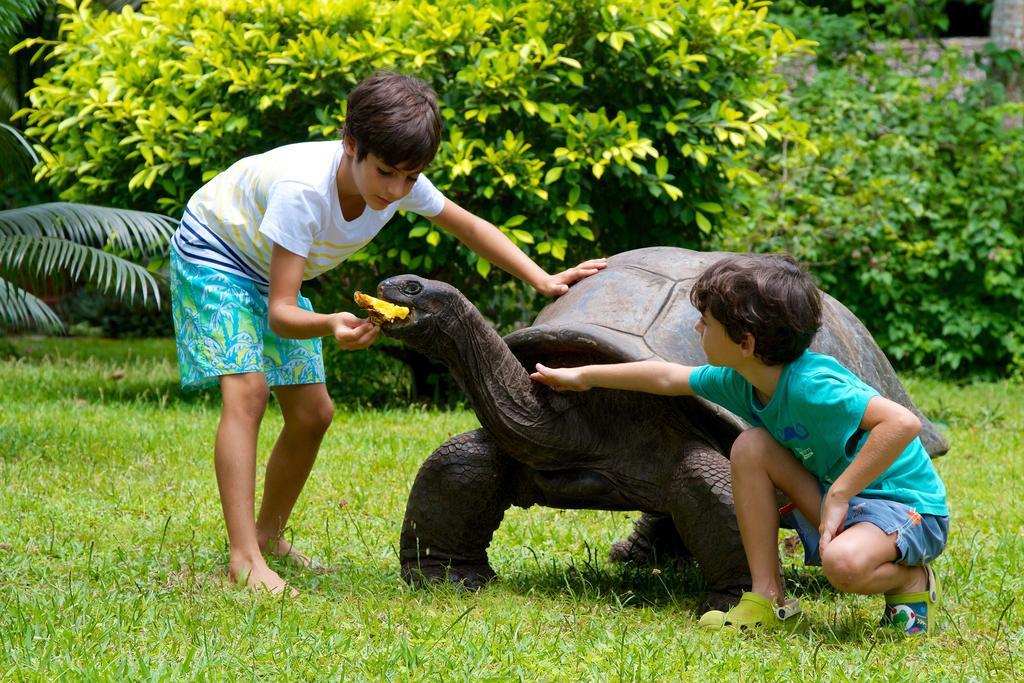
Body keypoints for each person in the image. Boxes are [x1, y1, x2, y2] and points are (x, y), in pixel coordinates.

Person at [169, 71, 607, 595]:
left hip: (268, 270)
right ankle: (243, 558)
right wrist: (331, 323)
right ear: (350, 144)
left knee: (313, 413)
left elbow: (468, 226)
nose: (397, 190)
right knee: (248, 393)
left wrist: (541, 277)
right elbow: (282, 311)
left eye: (410, 176)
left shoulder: (400, 181)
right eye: (386, 173)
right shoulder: (302, 193)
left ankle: (268, 537)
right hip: (215, 254)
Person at [530, 254, 948, 635]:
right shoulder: (741, 381)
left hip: (905, 508)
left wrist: (839, 494)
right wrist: (583, 377)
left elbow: (901, 423)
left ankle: (912, 579)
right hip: (847, 502)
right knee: (751, 446)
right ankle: (768, 597)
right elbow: (665, 377)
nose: (697, 328)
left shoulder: (814, 385)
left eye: (705, 322)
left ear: (745, 343)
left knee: (841, 565)